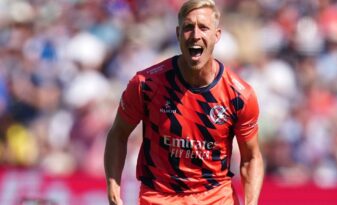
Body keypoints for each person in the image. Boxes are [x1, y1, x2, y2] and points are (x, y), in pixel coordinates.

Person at [104, 0, 264, 204]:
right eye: (189, 27)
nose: (196, 35)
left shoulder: (239, 95)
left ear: (217, 36)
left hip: (215, 198)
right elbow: (118, 134)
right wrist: (113, 187)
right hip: (159, 197)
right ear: (178, 33)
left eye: (203, 27)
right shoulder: (146, 84)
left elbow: (251, 157)